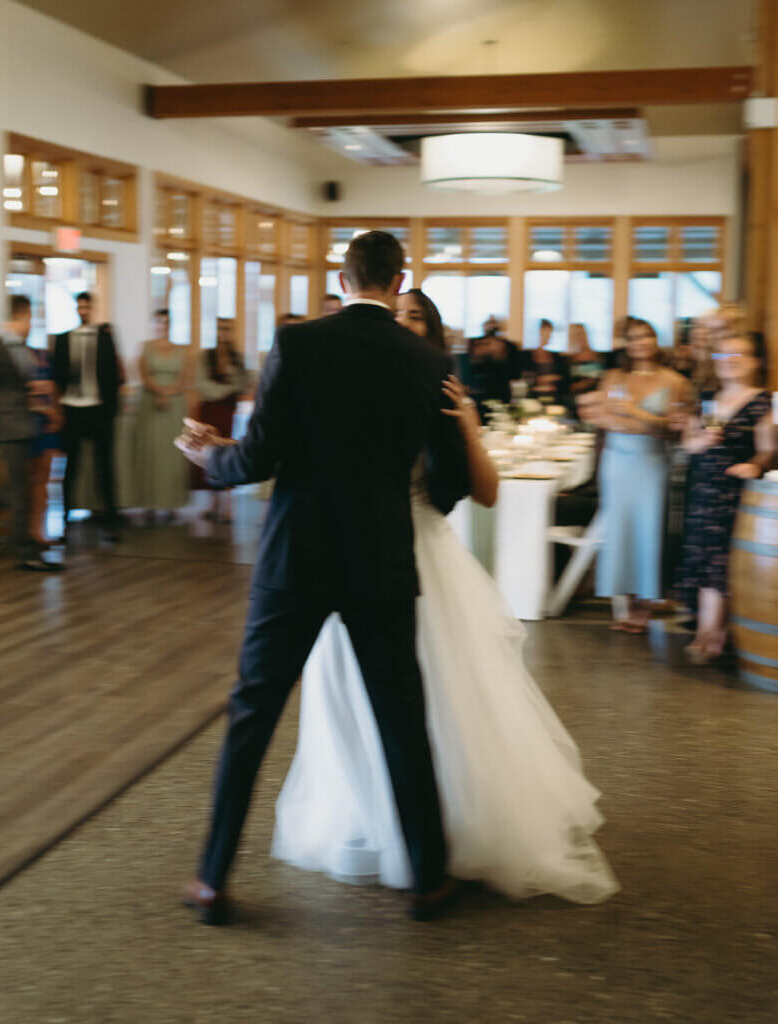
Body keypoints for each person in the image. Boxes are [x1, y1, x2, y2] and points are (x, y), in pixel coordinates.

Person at [271, 293, 619, 906]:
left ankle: (449, 832)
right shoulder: (348, 385)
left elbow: (484, 493)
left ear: (428, 333)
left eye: (413, 318)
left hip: (424, 559)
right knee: (346, 697)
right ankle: (366, 819)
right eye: (395, 314)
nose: (398, 325)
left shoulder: (443, 391)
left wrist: (468, 429)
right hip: (351, 561)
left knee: (435, 701)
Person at [175, 230, 469, 925]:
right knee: (401, 717)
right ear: (399, 283)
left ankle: (212, 878)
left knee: (251, 714)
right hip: (380, 560)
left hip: (295, 557)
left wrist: (208, 455)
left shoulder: (297, 345)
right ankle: (427, 878)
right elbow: (450, 486)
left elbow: (256, 460)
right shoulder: (425, 361)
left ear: (341, 280)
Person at [585, 319, 691, 633]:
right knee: (621, 532)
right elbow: (602, 419)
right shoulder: (614, 376)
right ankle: (627, 602)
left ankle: (645, 605)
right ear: (626, 345)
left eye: (645, 336)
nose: (639, 343)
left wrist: (632, 412)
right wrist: (646, 422)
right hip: (616, 462)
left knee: (649, 530)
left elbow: (673, 430)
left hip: (651, 462)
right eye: (632, 338)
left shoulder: (674, 381)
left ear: (655, 340)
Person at [676, 335, 775, 663]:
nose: (730, 358)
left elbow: (768, 451)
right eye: (724, 353)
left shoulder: (764, 403)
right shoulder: (706, 399)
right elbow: (687, 443)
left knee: (721, 561)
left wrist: (753, 465)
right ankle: (711, 631)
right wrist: (699, 441)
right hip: (703, 487)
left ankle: (711, 632)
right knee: (702, 557)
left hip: (736, 491)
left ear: (756, 360)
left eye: (739, 353)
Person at [0, 295, 62, 571]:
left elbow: (19, 388)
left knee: (14, 490)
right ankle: (25, 553)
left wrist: (38, 394)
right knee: (18, 492)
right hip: (7, 429)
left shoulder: (23, 349)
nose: (32, 324)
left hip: (26, 426)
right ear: (22, 317)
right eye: (30, 318)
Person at [52, 291, 123, 542]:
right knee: (71, 467)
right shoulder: (63, 340)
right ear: (76, 308)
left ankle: (111, 521)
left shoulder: (105, 338)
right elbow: (56, 376)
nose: (83, 310)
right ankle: (65, 519)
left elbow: (115, 376)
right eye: (79, 306)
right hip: (72, 408)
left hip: (99, 409)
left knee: (105, 467)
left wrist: (112, 409)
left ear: (92, 308)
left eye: (86, 306)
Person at [135, 310, 192, 523]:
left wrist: (169, 393)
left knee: (172, 453)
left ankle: (170, 503)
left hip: (174, 405)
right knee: (151, 453)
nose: (163, 326)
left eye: (166, 322)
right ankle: (149, 503)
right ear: (153, 324)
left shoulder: (181, 350)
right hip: (150, 403)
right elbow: (143, 375)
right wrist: (159, 392)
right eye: (159, 322)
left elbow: (185, 376)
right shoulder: (145, 348)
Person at [192, 318, 250, 522]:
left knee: (228, 454)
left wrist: (230, 382)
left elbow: (244, 383)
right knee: (208, 455)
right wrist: (227, 389)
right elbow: (203, 386)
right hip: (210, 411)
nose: (223, 333)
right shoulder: (205, 357)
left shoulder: (237, 359)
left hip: (228, 412)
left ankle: (227, 506)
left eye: (226, 329)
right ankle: (212, 504)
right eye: (219, 329)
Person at [29, 346, 62, 547]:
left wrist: (56, 411)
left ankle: (39, 528)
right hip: (31, 422)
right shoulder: (21, 355)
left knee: (45, 479)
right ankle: (30, 529)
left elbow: (54, 387)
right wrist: (45, 410)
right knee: (31, 480)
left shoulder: (45, 354)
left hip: (48, 426)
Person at [465, 315, 522, 410]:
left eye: (493, 323)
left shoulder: (509, 346)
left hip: (502, 392)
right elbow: (471, 367)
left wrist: (501, 352)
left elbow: (515, 374)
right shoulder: (476, 344)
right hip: (480, 393)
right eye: (489, 323)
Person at [524, 318, 569, 405]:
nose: (547, 337)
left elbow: (564, 380)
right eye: (544, 334)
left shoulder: (558, 357)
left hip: (555, 400)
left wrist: (546, 379)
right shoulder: (525, 356)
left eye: (549, 334)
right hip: (531, 400)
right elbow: (525, 380)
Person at [567, 323, 605, 404]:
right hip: (577, 398)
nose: (579, 338)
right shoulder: (570, 358)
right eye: (576, 335)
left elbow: (603, 379)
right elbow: (568, 385)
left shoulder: (598, 356)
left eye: (581, 334)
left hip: (596, 396)